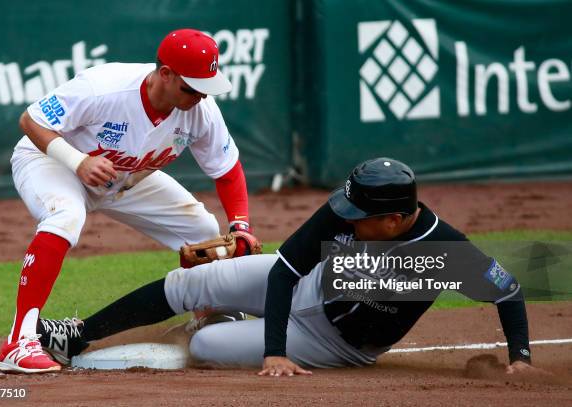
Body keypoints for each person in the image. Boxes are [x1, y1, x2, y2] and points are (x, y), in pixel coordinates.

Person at [36, 158, 536, 376]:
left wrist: (521, 358)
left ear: (394, 220)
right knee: (191, 281)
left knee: (206, 344)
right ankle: (77, 335)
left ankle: (230, 322)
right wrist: (274, 351)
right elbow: (284, 272)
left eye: (361, 217)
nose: (346, 219)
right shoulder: (347, 207)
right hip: (309, 285)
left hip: (335, 343)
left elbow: (508, 289)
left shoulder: (447, 252)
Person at [0, 28, 256, 374]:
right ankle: (19, 341)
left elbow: (227, 170)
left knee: (203, 229)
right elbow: (31, 121)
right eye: (191, 87)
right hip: (50, 160)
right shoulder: (104, 87)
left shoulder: (201, 111)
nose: (199, 96)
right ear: (165, 74)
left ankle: (208, 317)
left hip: (121, 178)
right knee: (65, 217)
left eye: (205, 87)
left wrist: (240, 224)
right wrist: (78, 161)